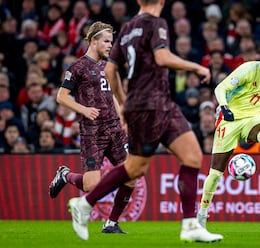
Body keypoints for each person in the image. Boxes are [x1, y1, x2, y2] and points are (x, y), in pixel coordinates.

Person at [67, 0, 223, 243]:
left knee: (190, 156)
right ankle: (84, 204)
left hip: (152, 105)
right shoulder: (156, 23)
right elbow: (161, 57)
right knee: (135, 168)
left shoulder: (128, 28)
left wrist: (124, 104)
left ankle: (190, 224)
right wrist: (195, 67)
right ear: (162, 2)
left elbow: (110, 71)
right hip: (152, 105)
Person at [48, 21, 133, 235]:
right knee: (91, 187)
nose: (109, 46)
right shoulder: (78, 67)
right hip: (92, 132)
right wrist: (83, 109)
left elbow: (113, 93)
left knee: (132, 174)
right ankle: (65, 175)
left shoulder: (109, 67)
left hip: (114, 129)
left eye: (111, 42)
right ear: (93, 40)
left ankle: (111, 223)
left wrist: (123, 118)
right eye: (106, 41)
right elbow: (61, 96)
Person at [197, 47, 260, 229]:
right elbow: (220, 88)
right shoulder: (249, 70)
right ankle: (202, 212)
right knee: (216, 173)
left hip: (251, 118)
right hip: (229, 120)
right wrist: (224, 107)